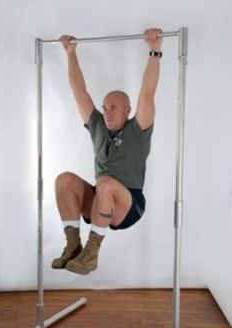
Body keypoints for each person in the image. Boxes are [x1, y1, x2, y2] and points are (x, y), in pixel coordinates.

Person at [51, 28, 163, 275]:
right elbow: (79, 91)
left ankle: (91, 254)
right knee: (64, 180)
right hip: (101, 198)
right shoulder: (98, 126)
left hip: (128, 204)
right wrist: (71, 53)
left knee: (106, 184)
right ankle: (73, 246)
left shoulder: (139, 127)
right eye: (105, 107)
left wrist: (155, 51)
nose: (108, 112)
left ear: (127, 110)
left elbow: (148, 91)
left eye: (114, 108)